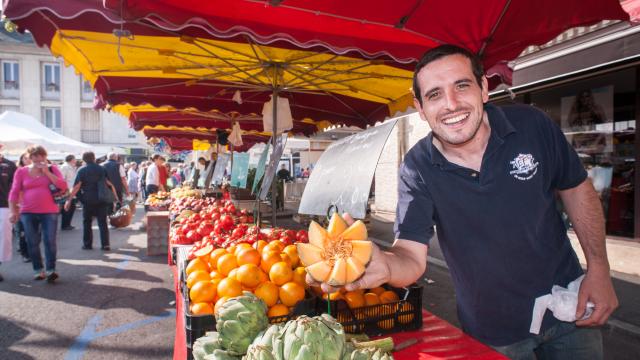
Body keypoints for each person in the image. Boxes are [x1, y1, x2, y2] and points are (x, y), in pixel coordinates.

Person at [311, 45, 618, 359]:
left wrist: (599, 269)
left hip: (571, 305)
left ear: (483, 88)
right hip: (494, 329)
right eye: (434, 95)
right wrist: (385, 265)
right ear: (420, 107)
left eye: (462, 85)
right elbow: (411, 255)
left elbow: (577, 188)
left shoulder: (532, 126)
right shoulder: (417, 168)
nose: (451, 104)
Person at [9, 145, 67, 282]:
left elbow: (63, 185)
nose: (38, 158)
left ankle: (51, 269)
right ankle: (38, 270)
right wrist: (13, 211)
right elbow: (14, 191)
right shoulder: (21, 171)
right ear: (29, 157)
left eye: (41, 155)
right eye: (35, 156)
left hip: (49, 211)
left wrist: (47, 172)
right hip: (28, 211)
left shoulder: (53, 169)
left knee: (49, 241)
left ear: (45, 156)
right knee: (32, 242)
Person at [65, 151, 117, 251]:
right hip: (101, 199)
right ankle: (105, 245)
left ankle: (87, 244)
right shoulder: (102, 168)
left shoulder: (82, 170)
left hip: (88, 199)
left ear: (84, 159)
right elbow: (109, 184)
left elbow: (76, 187)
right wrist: (115, 198)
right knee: (102, 222)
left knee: (87, 222)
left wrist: (69, 200)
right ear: (94, 158)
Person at [0, 144, 17, 281]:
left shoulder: (9, 165)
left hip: (4, 206)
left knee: (3, 238)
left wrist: (15, 207)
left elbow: (15, 187)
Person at [14, 153, 31, 262]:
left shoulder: (39, 170)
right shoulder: (17, 171)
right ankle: (25, 253)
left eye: (29, 158)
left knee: (34, 232)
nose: (28, 160)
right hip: (20, 205)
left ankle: (31, 252)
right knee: (22, 231)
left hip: (35, 206)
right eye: (25, 158)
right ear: (21, 159)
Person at [59, 154, 77, 230]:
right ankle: (65, 225)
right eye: (74, 159)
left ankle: (68, 224)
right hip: (67, 190)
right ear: (71, 159)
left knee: (72, 207)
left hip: (71, 189)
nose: (75, 160)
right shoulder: (65, 167)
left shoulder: (71, 167)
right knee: (68, 208)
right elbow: (62, 179)